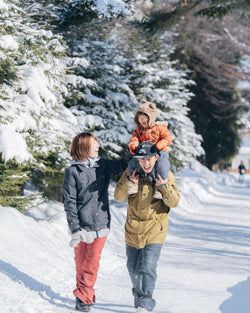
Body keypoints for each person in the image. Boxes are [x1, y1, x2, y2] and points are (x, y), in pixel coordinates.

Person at [63, 132, 126, 312]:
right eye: (94, 143)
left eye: (97, 143)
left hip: (100, 223)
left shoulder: (103, 165)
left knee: (91, 263)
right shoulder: (73, 172)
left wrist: (136, 146)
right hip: (82, 227)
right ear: (84, 147)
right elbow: (69, 202)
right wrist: (74, 228)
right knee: (81, 263)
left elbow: (123, 165)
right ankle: (83, 294)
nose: (98, 146)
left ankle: (84, 297)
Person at [114, 142, 180, 313]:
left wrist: (164, 185)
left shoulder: (165, 174)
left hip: (154, 231)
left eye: (149, 159)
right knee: (132, 268)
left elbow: (174, 201)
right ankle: (139, 297)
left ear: (156, 158)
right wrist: (129, 182)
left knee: (148, 266)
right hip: (133, 231)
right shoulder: (131, 173)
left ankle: (145, 302)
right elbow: (118, 197)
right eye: (142, 159)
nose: (146, 163)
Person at [128, 99, 172, 199]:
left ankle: (158, 187)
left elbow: (168, 138)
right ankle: (135, 183)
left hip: (158, 151)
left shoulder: (159, 128)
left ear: (151, 117)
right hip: (143, 152)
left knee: (162, 164)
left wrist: (159, 145)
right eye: (140, 118)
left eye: (145, 118)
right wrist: (134, 146)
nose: (142, 120)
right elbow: (134, 138)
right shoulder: (138, 130)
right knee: (132, 162)